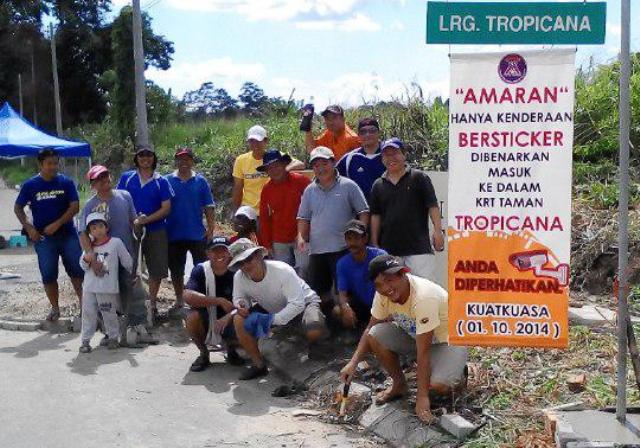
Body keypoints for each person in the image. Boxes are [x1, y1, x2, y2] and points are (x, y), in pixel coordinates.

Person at [339, 255, 468, 423]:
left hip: (446, 342)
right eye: (379, 284)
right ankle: (399, 385)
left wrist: (422, 398)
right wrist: (353, 363)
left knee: (440, 386)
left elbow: (424, 352)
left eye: (390, 280)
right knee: (375, 334)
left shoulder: (424, 297)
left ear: (403, 275)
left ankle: (460, 373)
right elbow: (370, 327)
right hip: (414, 337)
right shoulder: (383, 295)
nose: (386, 288)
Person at [229, 239, 326, 380]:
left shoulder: (282, 270)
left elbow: (297, 304)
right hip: (273, 310)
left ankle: (316, 345)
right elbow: (238, 298)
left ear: (258, 255)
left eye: (248, 259)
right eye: (240, 263)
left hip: (304, 305)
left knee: (314, 329)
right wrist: (241, 304)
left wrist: (272, 320)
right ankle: (259, 365)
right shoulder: (239, 277)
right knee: (238, 319)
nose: (245, 265)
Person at [80, 164, 155, 344]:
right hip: (103, 259)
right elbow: (82, 232)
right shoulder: (90, 205)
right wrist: (91, 257)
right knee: (104, 296)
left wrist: (139, 222)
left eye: (105, 175)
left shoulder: (125, 196)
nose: (103, 180)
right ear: (93, 184)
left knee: (133, 290)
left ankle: (139, 328)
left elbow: (133, 220)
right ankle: (110, 333)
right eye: (98, 178)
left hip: (126, 254)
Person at [14, 148, 84, 321]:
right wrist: (29, 228)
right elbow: (18, 208)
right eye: (49, 164)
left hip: (68, 234)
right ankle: (55, 309)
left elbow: (75, 206)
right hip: (44, 238)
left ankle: (86, 307)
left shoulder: (66, 182)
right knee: (48, 274)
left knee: (77, 271)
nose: (53, 167)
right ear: (41, 164)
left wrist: (58, 223)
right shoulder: (30, 185)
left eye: (55, 163)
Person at [297, 146, 369, 309]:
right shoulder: (309, 190)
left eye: (324, 163)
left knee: (343, 292)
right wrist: (301, 237)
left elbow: (363, 211)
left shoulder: (349, 185)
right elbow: (303, 217)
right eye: (316, 165)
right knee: (320, 293)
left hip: (343, 249)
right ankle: (327, 326)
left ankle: (347, 330)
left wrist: (362, 236)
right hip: (317, 250)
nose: (320, 168)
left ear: (333, 162)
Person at [370, 138, 444, 280]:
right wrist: (374, 242)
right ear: (382, 158)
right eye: (386, 155)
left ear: (404, 155)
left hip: (419, 249)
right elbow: (375, 215)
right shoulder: (377, 185)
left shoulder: (419, 178)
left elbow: (432, 206)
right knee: (397, 294)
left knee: (425, 291)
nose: (391, 158)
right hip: (390, 250)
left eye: (395, 153)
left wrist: (438, 231)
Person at [117, 144, 173, 320]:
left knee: (156, 269)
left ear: (153, 158)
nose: (145, 159)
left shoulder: (161, 181)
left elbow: (166, 208)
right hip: (130, 230)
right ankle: (129, 304)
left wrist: (146, 220)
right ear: (136, 158)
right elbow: (119, 201)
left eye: (149, 155)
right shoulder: (127, 178)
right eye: (142, 155)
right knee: (129, 267)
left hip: (156, 230)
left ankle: (152, 304)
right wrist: (132, 221)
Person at [183, 236, 244, 372]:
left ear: (230, 253)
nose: (219, 254)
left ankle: (232, 349)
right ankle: (204, 354)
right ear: (208, 254)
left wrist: (229, 316)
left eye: (223, 250)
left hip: (231, 318)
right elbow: (187, 295)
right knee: (192, 317)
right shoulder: (200, 270)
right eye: (215, 251)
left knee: (247, 320)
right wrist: (219, 301)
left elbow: (246, 303)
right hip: (207, 318)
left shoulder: (238, 272)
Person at [165, 147, 216, 312]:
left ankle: (200, 299)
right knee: (176, 270)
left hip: (197, 234)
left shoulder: (201, 181)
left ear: (192, 161)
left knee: (201, 268)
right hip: (173, 234)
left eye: (187, 159)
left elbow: (209, 207)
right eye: (180, 159)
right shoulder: (167, 181)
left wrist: (211, 228)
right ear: (176, 161)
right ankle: (179, 299)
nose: (184, 162)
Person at [78, 212, 133, 353]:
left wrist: (132, 273)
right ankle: (85, 340)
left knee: (108, 312)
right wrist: (87, 259)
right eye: (94, 228)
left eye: (101, 226)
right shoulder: (88, 247)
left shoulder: (116, 243)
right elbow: (83, 266)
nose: (98, 230)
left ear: (106, 228)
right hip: (90, 287)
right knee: (88, 313)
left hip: (107, 287)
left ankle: (113, 337)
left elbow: (126, 260)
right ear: (90, 232)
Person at [257, 149, 311, 278]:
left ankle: (306, 297)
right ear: (266, 171)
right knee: (283, 273)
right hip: (279, 238)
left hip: (302, 235)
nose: (274, 170)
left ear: (284, 165)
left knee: (303, 268)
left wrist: (308, 232)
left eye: (276, 166)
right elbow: (264, 219)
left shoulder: (301, 181)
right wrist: (267, 245)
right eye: (270, 168)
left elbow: (314, 206)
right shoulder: (266, 189)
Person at [232, 125, 304, 215]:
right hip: (249, 210)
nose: (255, 144)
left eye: (258, 141)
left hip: (271, 208)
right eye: (251, 141)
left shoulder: (274, 156)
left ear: (266, 141)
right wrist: (235, 211)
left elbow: (300, 164)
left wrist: (284, 169)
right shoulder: (241, 160)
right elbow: (238, 188)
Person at [335, 220, 387, 330]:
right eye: (349, 239)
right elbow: (342, 293)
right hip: (362, 305)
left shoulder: (380, 256)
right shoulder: (342, 263)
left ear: (365, 239)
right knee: (338, 310)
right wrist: (345, 307)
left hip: (382, 304)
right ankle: (354, 332)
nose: (352, 243)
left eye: (356, 238)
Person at [336, 117, 385, 201]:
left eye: (372, 130)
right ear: (358, 135)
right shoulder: (350, 158)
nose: (367, 134)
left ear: (379, 133)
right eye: (363, 132)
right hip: (359, 211)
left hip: (387, 210)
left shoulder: (389, 155)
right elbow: (331, 178)